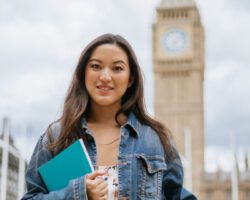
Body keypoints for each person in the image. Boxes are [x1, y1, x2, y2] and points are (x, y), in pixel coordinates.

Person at [22, 34, 196, 200]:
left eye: (117, 68)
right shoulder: (57, 136)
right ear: (83, 73)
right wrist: (78, 193)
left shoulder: (155, 138)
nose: (105, 77)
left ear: (130, 79)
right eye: (96, 66)